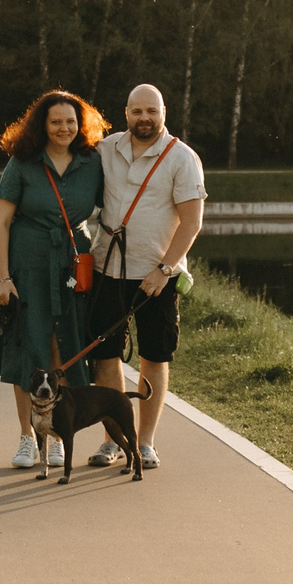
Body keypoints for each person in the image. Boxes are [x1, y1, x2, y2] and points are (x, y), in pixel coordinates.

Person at [0, 89, 111, 470]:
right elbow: (2, 223)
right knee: (28, 348)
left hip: (73, 265)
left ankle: (57, 435)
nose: (64, 128)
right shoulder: (23, 162)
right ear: (42, 124)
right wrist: (3, 278)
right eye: (56, 121)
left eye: (71, 121)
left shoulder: (92, 162)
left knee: (64, 347)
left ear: (81, 124)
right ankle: (27, 436)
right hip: (28, 264)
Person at [87, 83, 207, 469]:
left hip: (157, 276)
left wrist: (164, 269)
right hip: (107, 269)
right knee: (106, 358)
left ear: (164, 113)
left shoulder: (182, 158)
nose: (145, 118)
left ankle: (146, 442)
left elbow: (192, 222)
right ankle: (112, 440)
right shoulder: (106, 149)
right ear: (126, 113)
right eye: (137, 111)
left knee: (154, 358)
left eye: (151, 112)